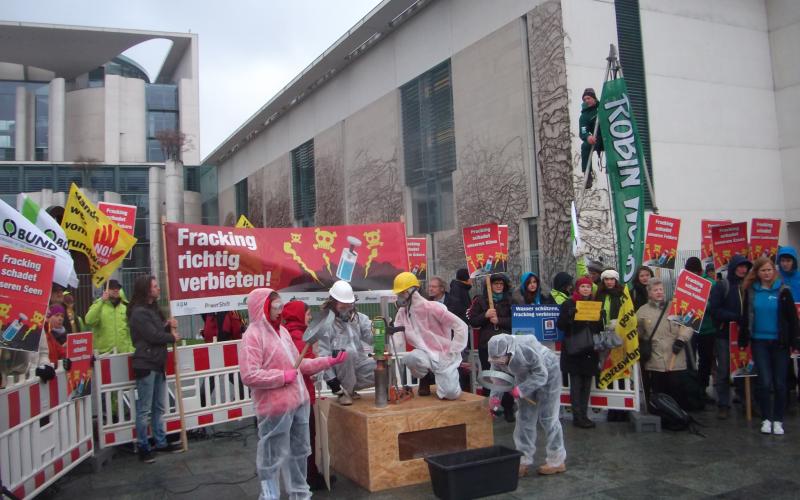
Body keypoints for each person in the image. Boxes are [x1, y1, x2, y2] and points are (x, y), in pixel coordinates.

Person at [240, 288, 347, 500]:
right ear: (263, 307)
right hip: (274, 409)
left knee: (299, 453)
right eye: (276, 306)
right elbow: (249, 375)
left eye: (281, 306)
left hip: (298, 403)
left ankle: (300, 493)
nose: (280, 311)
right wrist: (281, 376)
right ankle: (270, 495)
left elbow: (300, 365)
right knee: (271, 457)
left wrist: (328, 361)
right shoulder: (252, 337)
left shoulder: (283, 332)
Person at [487, 334, 566, 477]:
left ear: (509, 352)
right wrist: (493, 404)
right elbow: (497, 381)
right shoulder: (496, 356)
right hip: (524, 376)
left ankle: (557, 461)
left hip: (549, 371)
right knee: (524, 418)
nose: (499, 363)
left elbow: (541, 375)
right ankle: (523, 460)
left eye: (501, 359)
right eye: (496, 360)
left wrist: (522, 390)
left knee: (548, 418)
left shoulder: (525, 349)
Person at [739, 257, 800, 435]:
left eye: (769, 270)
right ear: (757, 273)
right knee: (764, 382)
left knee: (780, 383)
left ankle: (778, 419)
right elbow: (746, 316)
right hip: (759, 342)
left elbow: (792, 319)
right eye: (763, 270)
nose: (767, 273)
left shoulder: (784, 291)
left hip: (779, 343)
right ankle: (766, 418)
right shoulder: (751, 291)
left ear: (774, 271)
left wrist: (795, 341)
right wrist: (743, 337)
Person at [128, 275, 182, 462]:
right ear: (146, 290)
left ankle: (160, 441)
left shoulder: (152, 310)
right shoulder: (139, 312)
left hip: (157, 363)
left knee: (158, 406)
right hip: (146, 363)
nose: (158, 288)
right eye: (155, 286)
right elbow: (152, 335)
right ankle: (143, 446)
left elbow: (158, 329)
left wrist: (168, 326)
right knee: (144, 409)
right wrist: (170, 336)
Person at [391, 272, 469, 399]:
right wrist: (388, 348)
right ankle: (425, 378)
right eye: (398, 293)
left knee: (451, 394)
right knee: (412, 358)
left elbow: (460, 326)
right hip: (424, 354)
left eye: (402, 293)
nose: (399, 297)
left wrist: (454, 349)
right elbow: (397, 336)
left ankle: (448, 378)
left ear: (413, 291)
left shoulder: (433, 307)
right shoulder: (402, 313)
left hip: (443, 355)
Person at [637, 278, 694, 409]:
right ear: (649, 293)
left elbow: (688, 324)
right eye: (655, 290)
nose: (659, 292)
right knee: (660, 393)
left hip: (675, 357)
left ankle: (679, 417)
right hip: (655, 359)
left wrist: (682, 339)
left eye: (661, 289)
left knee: (677, 391)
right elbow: (637, 331)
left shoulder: (675, 306)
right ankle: (664, 416)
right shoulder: (642, 311)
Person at [316, 280, 375, 405]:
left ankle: (352, 389)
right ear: (333, 304)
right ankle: (345, 392)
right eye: (343, 307)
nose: (346, 310)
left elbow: (371, 339)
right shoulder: (326, 324)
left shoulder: (358, 318)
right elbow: (323, 356)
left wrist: (379, 330)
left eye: (349, 306)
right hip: (340, 373)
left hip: (358, 368)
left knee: (383, 368)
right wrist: (334, 384)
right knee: (347, 352)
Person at [708, 254, 752, 420]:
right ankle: (723, 405)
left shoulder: (750, 286)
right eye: (739, 266)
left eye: (745, 266)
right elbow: (714, 310)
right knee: (724, 370)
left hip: (744, 335)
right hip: (724, 335)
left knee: (745, 369)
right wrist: (733, 317)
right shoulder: (722, 286)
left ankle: (746, 401)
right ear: (733, 267)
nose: (742, 269)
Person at [556, 277, 601, 428]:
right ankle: (577, 416)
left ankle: (584, 414)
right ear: (577, 288)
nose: (586, 289)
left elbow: (597, 327)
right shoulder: (568, 303)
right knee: (576, 384)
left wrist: (601, 316)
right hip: (574, 350)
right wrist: (570, 315)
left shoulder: (594, 304)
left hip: (589, 349)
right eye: (583, 287)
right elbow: (561, 325)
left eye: (588, 287)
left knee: (587, 384)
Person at [469, 273, 515, 421]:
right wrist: (485, 315)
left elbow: (517, 320)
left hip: (506, 345)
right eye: (496, 284)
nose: (499, 286)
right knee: (490, 377)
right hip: (487, 345)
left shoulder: (510, 301)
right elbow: (473, 320)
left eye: (501, 284)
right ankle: (490, 409)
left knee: (507, 376)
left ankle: (508, 408)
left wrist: (499, 320)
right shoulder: (480, 301)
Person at [85, 279, 133, 355]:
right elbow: (89, 321)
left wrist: (130, 349)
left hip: (123, 353)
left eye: (117, 288)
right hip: (104, 355)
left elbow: (129, 330)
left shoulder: (124, 308)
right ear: (106, 290)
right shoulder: (99, 305)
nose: (116, 290)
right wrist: (102, 301)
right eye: (112, 288)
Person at [695, 262, 718, 395]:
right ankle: (699, 387)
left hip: (705, 328)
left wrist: (701, 305)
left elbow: (715, 304)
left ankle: (702, 388)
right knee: (702, 360)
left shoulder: (709, 283)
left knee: (705, 359)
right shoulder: (711, 284)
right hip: (698, 328)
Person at [578, 87, 604, 188]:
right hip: (598, 140)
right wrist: (588, 137)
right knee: (585, 146)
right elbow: (583, 131)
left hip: (609, 137)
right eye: (584, 99)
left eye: (588, 98)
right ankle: (587, 174)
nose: (586, 101)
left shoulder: (602, 107)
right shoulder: (584, 116)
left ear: (594, 98)